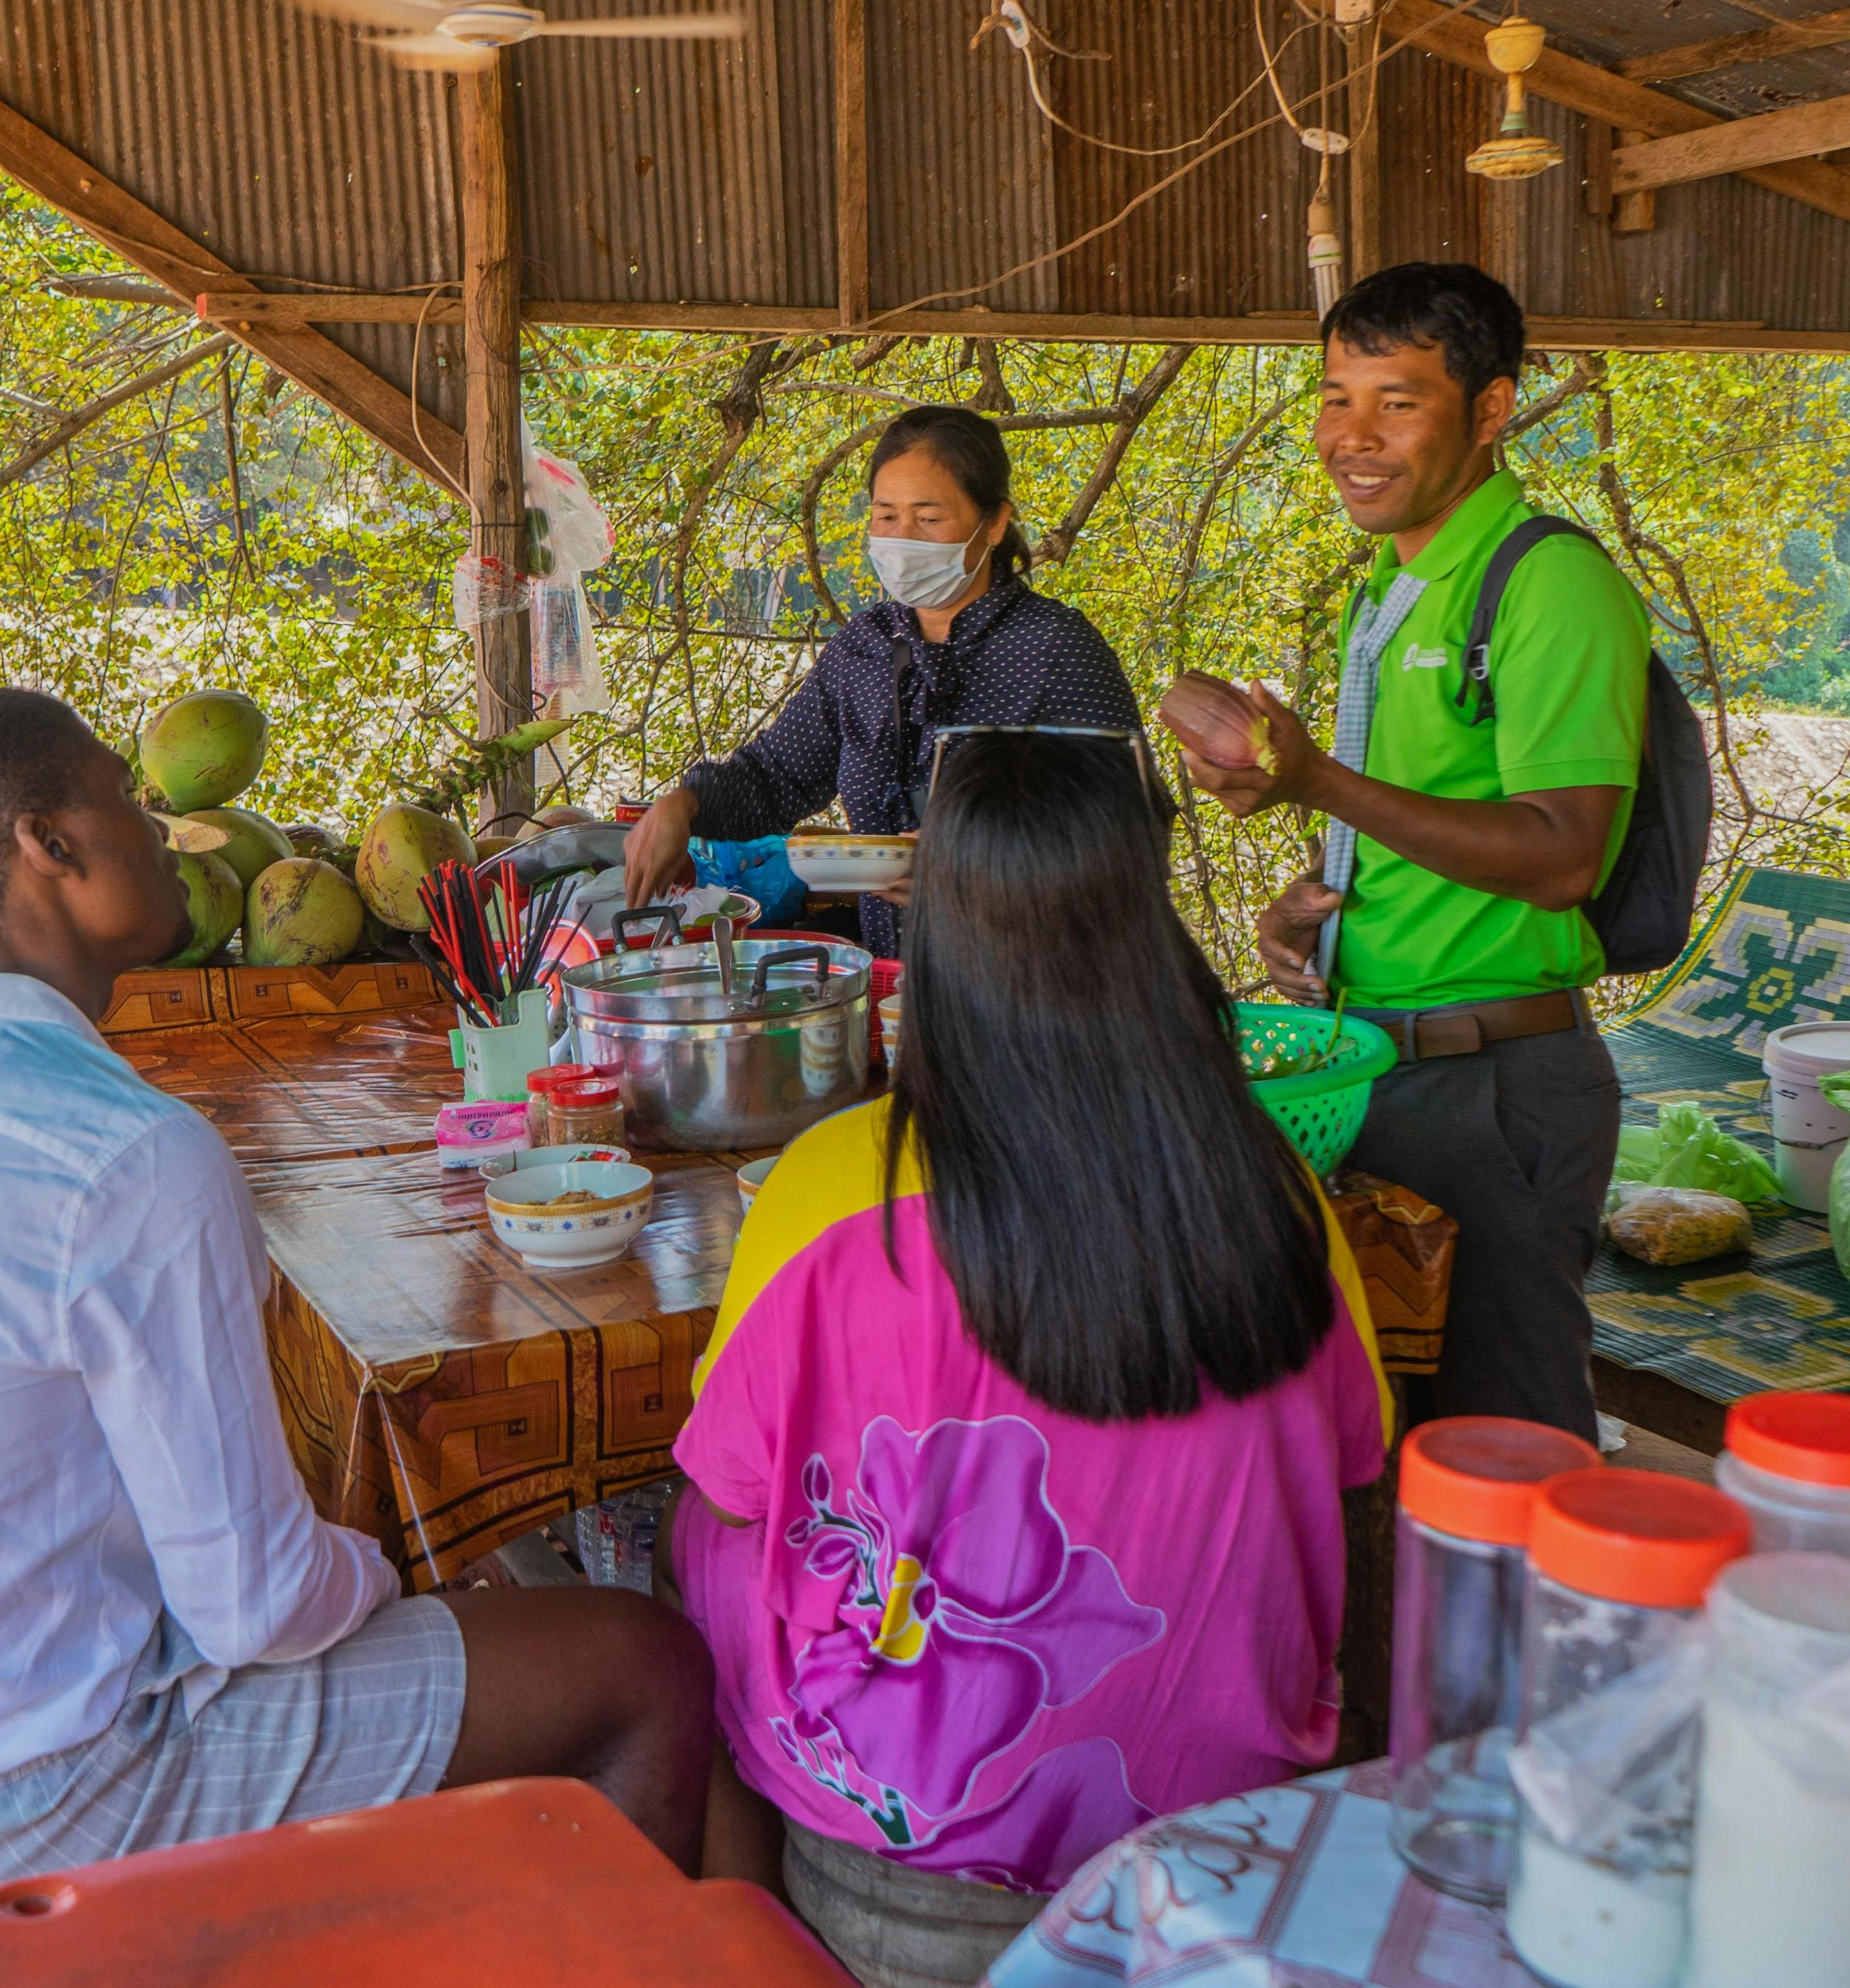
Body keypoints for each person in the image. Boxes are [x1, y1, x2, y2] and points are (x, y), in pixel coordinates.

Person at [0, 687, 715, 1906]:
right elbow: (257, 1611)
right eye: (124, 798)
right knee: (645, 1662)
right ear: (50, 847)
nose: (160, 825)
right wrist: (397, 1569)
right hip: (19, 1806)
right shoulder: (127, 1154)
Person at [671, 727, 1389, 1900]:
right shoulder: (1274, 1186)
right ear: (1151, 922)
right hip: (1232, 1808)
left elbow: (732, 1490)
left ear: (934, 929)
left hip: (927, 1817)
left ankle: (743, 1920)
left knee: (689, 1533)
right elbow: (1357, 1480)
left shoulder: (833, 1185)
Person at [1178, 264, 1650, 1442]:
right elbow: (1415, 814)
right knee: (1389, 1436)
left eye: (1397, 402)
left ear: (1490, 410)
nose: (1353, 437)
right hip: (1374, 1066)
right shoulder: (1390, 587)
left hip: (1493, 1085)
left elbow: (1562, 856)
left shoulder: (1548, 582)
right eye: (1336, 399)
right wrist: (1322, 909)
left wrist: (1317, 780)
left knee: (1507, 1434)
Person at [620, 404, 1139, 957]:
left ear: (994, 523)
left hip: (1040, 979)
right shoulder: (864, 649)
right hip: (900, 981)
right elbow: (775, 776)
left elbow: (1125, 833)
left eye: (929, 518)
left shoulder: (1056, 649)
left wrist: (975, 862)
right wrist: (685, 805)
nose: (903, 538)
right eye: (886, 516)